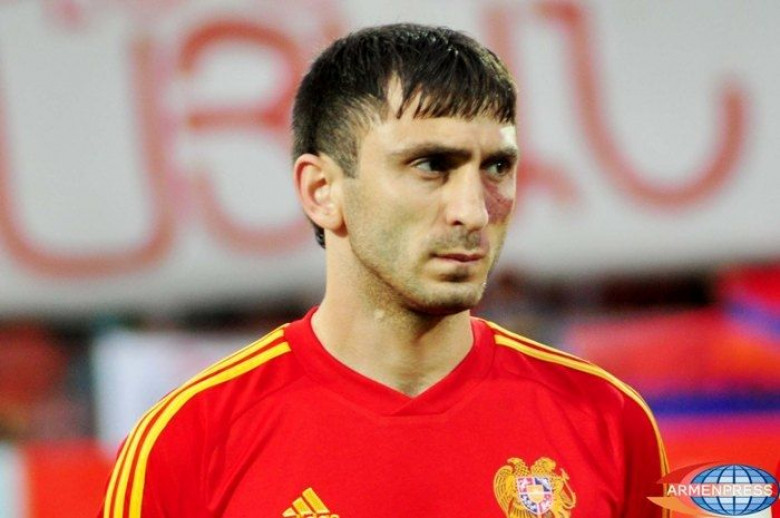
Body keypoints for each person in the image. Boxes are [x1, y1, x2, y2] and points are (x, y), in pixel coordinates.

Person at [100, 23, 668, 518]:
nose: (473, 210)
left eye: (497, 166)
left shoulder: (609, 422)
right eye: (431, 165)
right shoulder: (189, 441)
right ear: (322, 191)